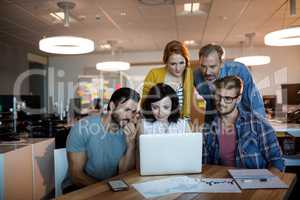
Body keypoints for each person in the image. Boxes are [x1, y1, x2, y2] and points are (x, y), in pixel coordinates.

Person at [202, 76, 284, 171]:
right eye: (218, 97)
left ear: (238, 99)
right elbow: (204, 164)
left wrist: (266, 183)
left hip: (254, 182)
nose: (221, 102)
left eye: (227, 98)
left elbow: (277, 162)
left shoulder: (258, 123)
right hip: (221, 182)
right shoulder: (209, 128)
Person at [65, 87, 140, 190]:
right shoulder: (83, 127)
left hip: (111, 188)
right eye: (126, 109)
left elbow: (124, 173)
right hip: (79, 189)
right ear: (112, 106)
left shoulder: (127, 133)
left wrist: (131, 144)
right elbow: (76, 176)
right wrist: (107, 189)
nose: (129, 116)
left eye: (133, 111)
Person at [194, 44, 266, 124]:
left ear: (221, 64)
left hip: (243, 123)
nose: (207, 72)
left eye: (212, 66)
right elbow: (207, 107)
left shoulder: (239, 70)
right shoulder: (196, 75)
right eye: (203, 66)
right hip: (218, 125)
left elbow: (255, 103)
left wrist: (261, 128)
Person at [142, 40, 193, 118]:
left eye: (181, 63)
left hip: (181, 122)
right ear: (166, 62)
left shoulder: (189, 75)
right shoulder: (154, 74)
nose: (178, 69)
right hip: (158, 121)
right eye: (173, 64)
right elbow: (145, 103)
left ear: (186, 61)